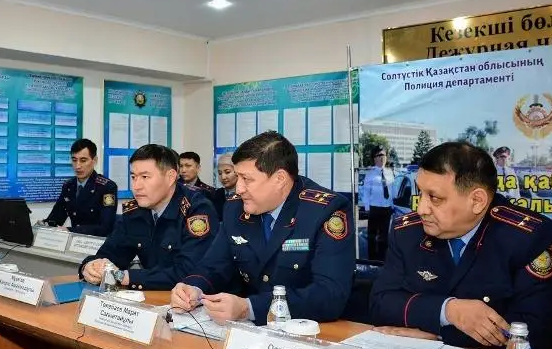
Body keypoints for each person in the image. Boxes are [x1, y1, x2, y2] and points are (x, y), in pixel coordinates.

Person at [369, 142, 552, 349]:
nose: (421, 208)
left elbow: (540, 331)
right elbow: (381, 304)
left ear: (477, 201)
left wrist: (440, 335)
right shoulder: (407, 232)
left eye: (434, 198)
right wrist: (448, 310)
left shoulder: (529, 237)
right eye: (420, 193)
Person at [171, 131, 355, 325]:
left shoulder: (325, 211)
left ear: (280, 179)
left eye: (247, 179)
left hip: (308, 330)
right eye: (238, 177)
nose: (239, 189)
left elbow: (329, 295)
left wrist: (249, 308)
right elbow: (213, 265)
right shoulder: (235, 208)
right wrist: (193, 288)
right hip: (248, 333)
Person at [79, 144, 219, 290]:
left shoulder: (197, 209)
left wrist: (123, 276)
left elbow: (189, 272)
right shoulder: (135, 211)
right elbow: (110, 254)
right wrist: (90, 267)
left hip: (195, 299)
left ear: (170, 177)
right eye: (133, 177)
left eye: (145, 177)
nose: (136, 186)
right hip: (153, 297)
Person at [42, 139, 118, 237]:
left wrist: (69, 230)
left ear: (94, 161)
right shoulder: (68, 186)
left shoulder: (107, 187)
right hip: (74, 242)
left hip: (98, 242)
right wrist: (45, 225)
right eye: (74, 160)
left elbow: (106, 228)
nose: (77, 166)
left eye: (83, 160)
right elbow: (56, 217)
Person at [362, 146, 396, 260]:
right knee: (372, 235)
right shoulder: (370, 173)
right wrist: (367, 208)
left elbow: (392, 190)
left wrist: (393, 205)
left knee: (384, 235)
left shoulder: (390, 172)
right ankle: (372, 259)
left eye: (384, 155)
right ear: (374, 158)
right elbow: (366, 192)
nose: (382, 158)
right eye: (379, 155)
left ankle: (382, 259)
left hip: (387, 208)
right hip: (374, 208)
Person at [212, 153, 237, 220]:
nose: (223, 177)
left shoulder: (246, 195)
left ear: (237, 171)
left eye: (227, 172)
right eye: (220, 173)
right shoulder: (215, 195)